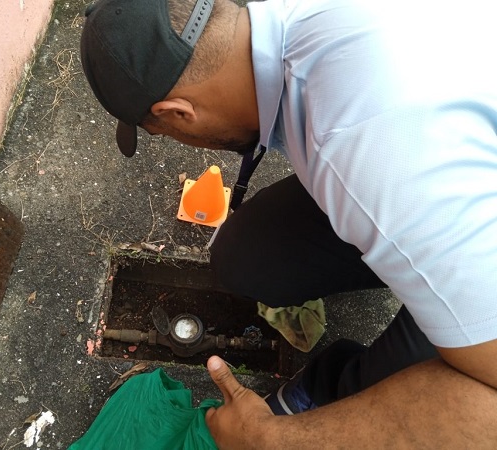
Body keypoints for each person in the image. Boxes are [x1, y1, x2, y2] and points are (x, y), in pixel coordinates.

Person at [80, 0, 497, 447]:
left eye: (163, 132)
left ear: (178, 113)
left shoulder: (362, 154)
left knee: (431, 378)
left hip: (453, 219)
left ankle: (338, 390)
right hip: (454, 161)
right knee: (250, 258)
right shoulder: (285, 27)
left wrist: (267, 439)